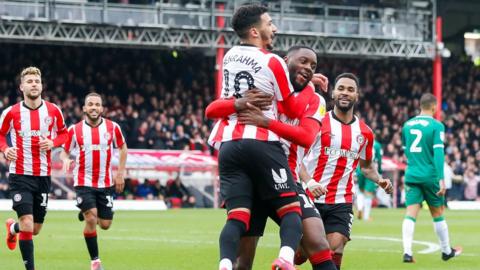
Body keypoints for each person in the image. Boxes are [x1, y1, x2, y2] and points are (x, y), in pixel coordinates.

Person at [207, 46, 335, 270]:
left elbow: (306, 136)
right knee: (242, 261)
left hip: (286, 174)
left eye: (313, 66)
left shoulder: (315, 100)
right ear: (284, 61)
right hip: (252, 174)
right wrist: (236, 103)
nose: (307, 68)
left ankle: (291, 254)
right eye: (303, 61)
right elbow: (213, 108)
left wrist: (267, 122)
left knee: (317, 242)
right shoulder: (262, 87)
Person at [207, 4, 304, 270]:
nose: (274, 28)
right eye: (270, 23)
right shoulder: (273, 61)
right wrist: (302, 85)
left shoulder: (229, 56)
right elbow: (291, 109)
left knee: (237, 218)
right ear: (254, 31)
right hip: (262, 143)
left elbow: (217, 105)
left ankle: (225, 264)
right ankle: (285, 258)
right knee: (291, 212)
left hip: (228, 145)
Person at [300, 73, 393, 270]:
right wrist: (309, 181)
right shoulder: (317, 123)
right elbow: (296, 159)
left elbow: (367, 167)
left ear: (357, 96)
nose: (345, 93)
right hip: (309, 198)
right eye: (341, 88)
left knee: (335, 247)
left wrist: (380, 180)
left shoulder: (365, 132)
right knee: (302, 255)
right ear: (333, 93)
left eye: (350, 90)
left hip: (341, 202)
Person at [0, 66, 68, 270]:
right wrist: (5, 149)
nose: (34, 84)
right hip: (20, 173)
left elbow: (64, 134)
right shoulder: (11, 112)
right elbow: (0, 135)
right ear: (22, 86)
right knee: (28, 224)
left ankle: (12, 228)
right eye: (29, 81)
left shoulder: (53, 110)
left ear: (42, 85)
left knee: (35, 228)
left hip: (43, 176)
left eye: (37, 81)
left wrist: (53, 142)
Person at [60, 92, 127, 270]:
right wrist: (66, 160)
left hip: (105, 183)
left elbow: (123, 148)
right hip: (83, 181)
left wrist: (120, 173)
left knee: (105, 225)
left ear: (102, 108)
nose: (94, 108)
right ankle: (95, 261)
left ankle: (85, 211)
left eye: (97, 104)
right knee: (92, 218)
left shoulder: (113, 128)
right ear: (84, 108)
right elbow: (64, 151)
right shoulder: (74, 130)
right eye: (90, 104)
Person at [401, 93, 461, 263]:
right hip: (430, 176)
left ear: (421, 105)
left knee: (410, 213)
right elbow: (438, 153)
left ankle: (407, 252)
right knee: (438, 213)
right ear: (434, 107)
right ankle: (446, 251)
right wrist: (441, 179)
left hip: (412, 174)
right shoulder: (436, 125)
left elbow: (406, 151)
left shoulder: (407, 125)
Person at [355, 138, 382, 221]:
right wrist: (379, 172)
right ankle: (366, 216)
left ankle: (359, 208)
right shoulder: (377, 145)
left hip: (359, 168)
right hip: (370, 168)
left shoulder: (360, 141)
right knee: (368, 193)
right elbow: (379, 159)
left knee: (360, 190)